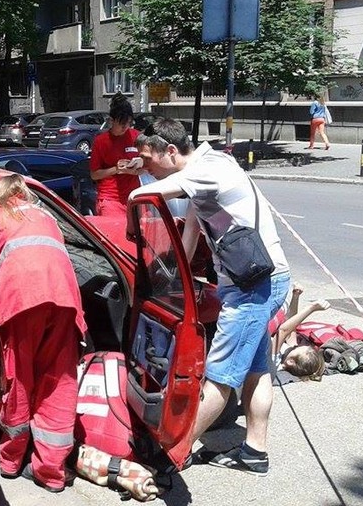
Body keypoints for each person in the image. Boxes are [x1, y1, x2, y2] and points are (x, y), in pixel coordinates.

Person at [129, 118, 290, 477]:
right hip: (263, 279)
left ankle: (171, 456)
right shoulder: (208, 173)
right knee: (256, 369)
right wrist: (169, 277)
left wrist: (132, 191)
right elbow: (189, 236)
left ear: (171, 151)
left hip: (254, 287)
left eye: (150, 161)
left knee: (219, 374)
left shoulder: (207, 169)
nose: (148, 169)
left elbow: (142, 196)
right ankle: (254, 452)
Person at [0, 174, 86, 493]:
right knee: (59, 383)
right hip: (64, 300)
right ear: (24, 193)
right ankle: (51, 472)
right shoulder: (46, 215)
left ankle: (10, 462)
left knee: (19, 381)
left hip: (19, 302)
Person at [89, 93, 142, 217]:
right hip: (110, 198)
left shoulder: (136, 136)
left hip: (134, 196)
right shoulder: (101, 141)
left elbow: (147, 166)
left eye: (128, 123)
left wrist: (137, 171)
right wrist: (116, 169)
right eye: (121, 123)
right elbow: (94, 175)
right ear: (112, 121)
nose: (125, 127)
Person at [270, 283, 328, 380]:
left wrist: (311, 308)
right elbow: (291, 328)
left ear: (290, 362)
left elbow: (283, 331)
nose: (294, 345)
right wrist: (295, 296)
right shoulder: (287, 353)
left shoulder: (273, 360)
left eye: (295, 348)